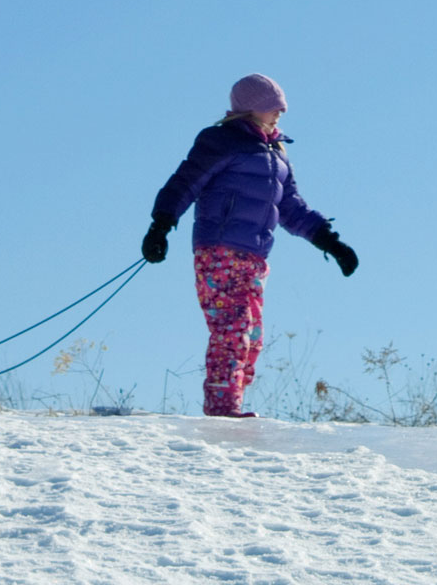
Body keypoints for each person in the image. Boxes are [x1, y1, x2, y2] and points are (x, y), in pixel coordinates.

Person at [141, 73, 356, 418]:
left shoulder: (278, 154)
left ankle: (233, 402)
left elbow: (292, 208)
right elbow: (185, 181)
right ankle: (223, 409)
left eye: (282, 109)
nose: (279, 114)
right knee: (233, 329)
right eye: (273, 108)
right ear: (251, 109)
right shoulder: (222, 141)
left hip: (255, 258)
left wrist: (330, 242)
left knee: (253, 336)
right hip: (220, 250)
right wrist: (161, 225)